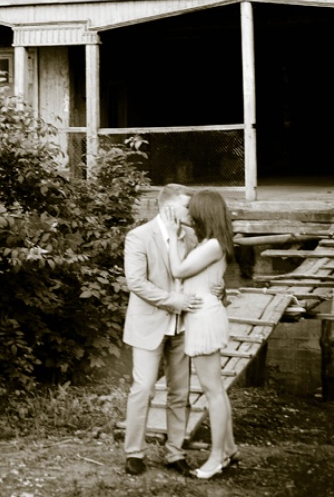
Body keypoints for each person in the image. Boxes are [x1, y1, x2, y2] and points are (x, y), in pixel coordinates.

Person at [122, 183, 205, 478]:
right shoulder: (139, 236)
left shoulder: (191, 236)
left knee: (180, 393)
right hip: (148, 325)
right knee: (143, 389)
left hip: (183, 326)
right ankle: (134, 452)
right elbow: (136, 282)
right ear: (168, 207)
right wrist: (173, 300)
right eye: (186, 207)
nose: (192, 212)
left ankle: (175, 453)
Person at [165, 188, 237, 480]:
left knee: (213, 391)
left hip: (204, 317)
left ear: (204, 213)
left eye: (193, 209)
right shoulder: (210, 242)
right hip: (202, 313)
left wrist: (172, 236)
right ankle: (229, 448)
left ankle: (217, 457)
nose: (189, 214)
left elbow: (178, 270)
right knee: (216, 388)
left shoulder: (213, 245)